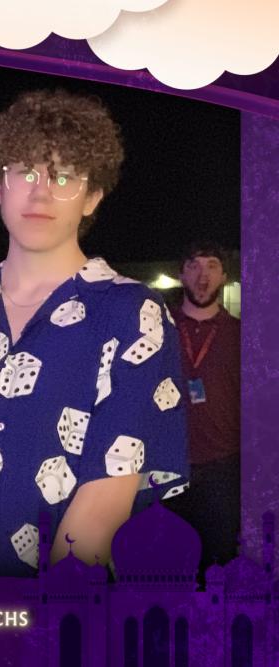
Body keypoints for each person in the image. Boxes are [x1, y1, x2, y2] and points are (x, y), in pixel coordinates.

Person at [0, 89, 188, 576]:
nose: (40, 192)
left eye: (64, 177)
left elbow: (106, 497)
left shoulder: (131, 316)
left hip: (64, 604)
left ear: (92, 197)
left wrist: (46, 612)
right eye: (25, 172)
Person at [166, 241, 240, 571]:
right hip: (166, 467)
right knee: (168, 567)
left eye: (212, 265)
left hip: (222, 469)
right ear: (181, 274)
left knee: (219, 564)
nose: (202, 275)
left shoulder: (241, 334)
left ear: (223, 276)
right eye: (194, 265)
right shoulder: (158, 329)